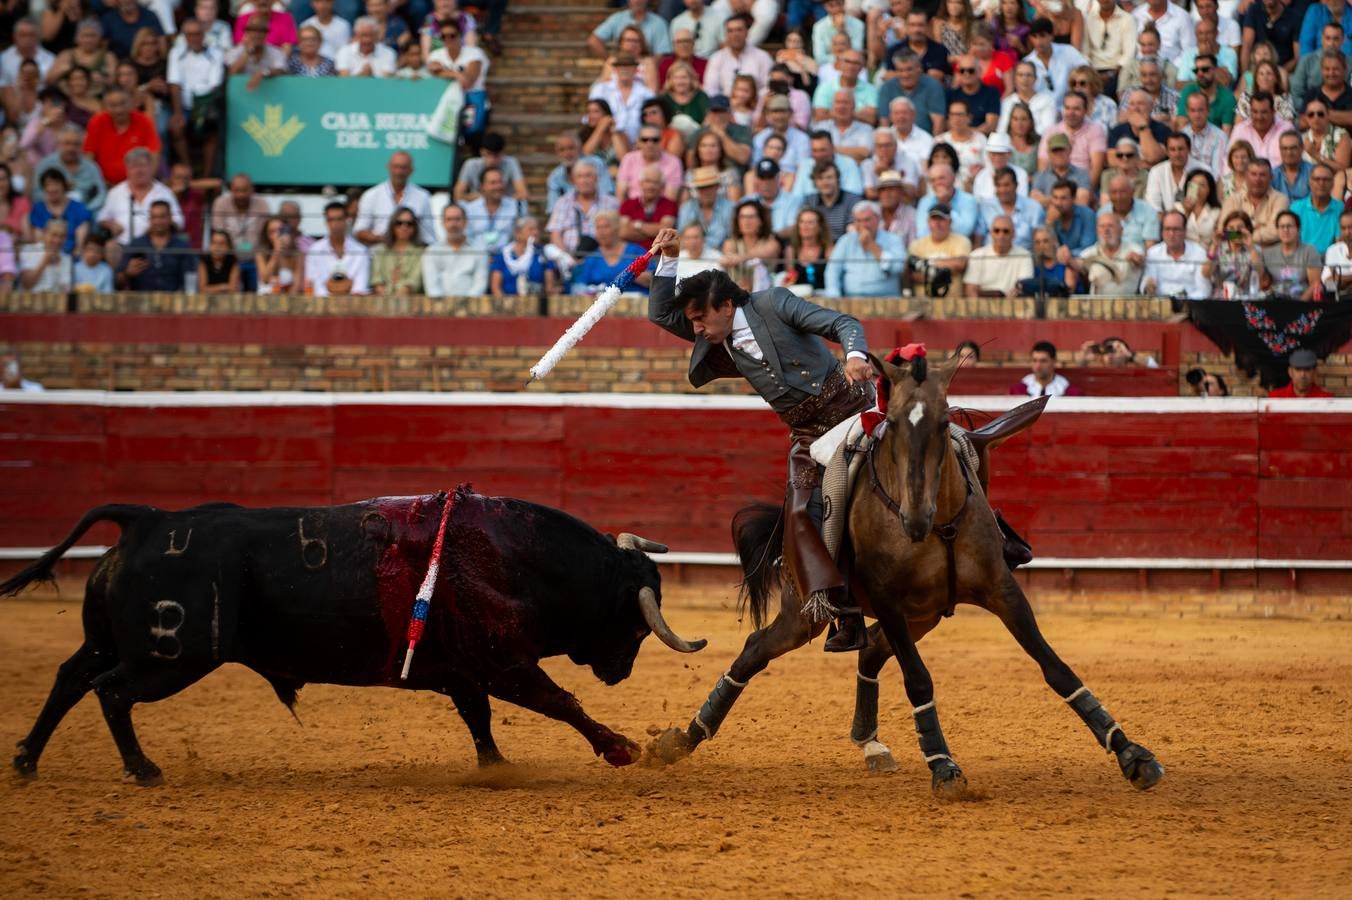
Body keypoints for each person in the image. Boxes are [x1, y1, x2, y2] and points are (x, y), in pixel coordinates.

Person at [647, 225, 874, 651]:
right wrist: (670, 258)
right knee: (801, 515)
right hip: (808, 435)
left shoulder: (775, 302)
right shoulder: (714, 333)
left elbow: (843, 322)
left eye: (700, 318)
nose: (695, 329)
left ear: (727, 304)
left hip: (853, 412)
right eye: (693, 320)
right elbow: (660, 314)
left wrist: (856, 355)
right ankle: (848, 615)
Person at [98, 147, 183, 246]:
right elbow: (102, 217)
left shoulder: (164, 192)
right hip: (122, 244)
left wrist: (157, 226)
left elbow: (179, 220)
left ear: (151, 167)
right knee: (110, 246)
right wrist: (112, 225)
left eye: (142, 165)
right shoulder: (115, 192)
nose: (139, 170)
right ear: (127, 169)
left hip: (155, 246)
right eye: (134, 166)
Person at [821, 201, 905, 297]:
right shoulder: (846, 240)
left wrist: (872, 245)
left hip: (886, 300)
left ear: (877, 219)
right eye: (858, 221)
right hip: (850, 300)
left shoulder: (893, 239)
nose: (863, 225)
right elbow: (832, 270)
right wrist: (834, 296)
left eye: (867, 220)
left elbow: (898, 268)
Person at [353, 152, 434, 247]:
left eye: (403, 168)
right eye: (396, 167)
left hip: (412, 256)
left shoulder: (423, 197)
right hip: (378, 255)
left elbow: (428, 237)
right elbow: (359, 232)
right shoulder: (371, 195)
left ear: (411, 170)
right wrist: (385, 239)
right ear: (388, 167)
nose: (399, 172)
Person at [82, 87, 159, 186]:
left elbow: (154, 154)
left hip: (138, 184)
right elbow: (89, 156)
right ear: (105, 107)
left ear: (131, 103)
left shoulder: (143, 121)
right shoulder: (97, 122)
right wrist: (97, 183)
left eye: (123, 104)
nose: (119, 109)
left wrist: (145, 181)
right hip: (104, 184)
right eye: (113, 105)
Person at [548, 159, 621, 256]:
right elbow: (555, 233)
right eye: (580, 176)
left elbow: (619, 233)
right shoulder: (563, 202)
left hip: (602, 259)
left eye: (588, 176)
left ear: (596, 178)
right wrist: (566, 258)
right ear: (574, 180)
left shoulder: (612, 203)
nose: (584, 180)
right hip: (569, 259)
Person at [117, 201, 194, 292]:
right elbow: (117, 282)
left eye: (162, 217)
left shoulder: (182, 246)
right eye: (154, 217)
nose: (158, 221)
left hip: (173, 301)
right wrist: (127, 273)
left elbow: (190, 279)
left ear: (170, 218)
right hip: (140, 302)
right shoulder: (136, 244)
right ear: (149, 219)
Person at [210, 173, 270, 289]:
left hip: (256, 260)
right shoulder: (221, 203)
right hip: (228, 260)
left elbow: (266, 235)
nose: (240, 195)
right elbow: (218, 235)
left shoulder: (262, 204)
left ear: (252, 190)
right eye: (237, 190)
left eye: (244, 190)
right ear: (231, 189)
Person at [1065, 210, 1143, 295]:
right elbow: (1076, 267)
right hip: (1098, 305)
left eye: (1111, 226)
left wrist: (1137, 260)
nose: (1106, 230)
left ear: (1121, 230)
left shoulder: (1134, 250)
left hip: (1129, 304)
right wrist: (1070, 262)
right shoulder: (1089, 253)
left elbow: (1141, 261)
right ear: (1097, 230)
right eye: (1102, 226)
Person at [570, 210, 649, 295]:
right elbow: (579, 287)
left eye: (606, 227)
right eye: (598, 228)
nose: (601, 232)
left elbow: (653, 279)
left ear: (616, 228)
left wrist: (630, 275)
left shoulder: (635, 252)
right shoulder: (592, 258)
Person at [35, 125, 106, 216]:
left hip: (85, 213)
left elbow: (101, 193)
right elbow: (37, 193)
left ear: (81, 146)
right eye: (67, 143)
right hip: (51, 214)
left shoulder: (91, 167)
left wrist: (86, 209)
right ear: (58, 144)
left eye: (75, 144)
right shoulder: (46, 165)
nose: (71, 148)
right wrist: (58, 208)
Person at [423, 203, 490, 297]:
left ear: (465, 222)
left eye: (457, 219)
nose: (453, 224)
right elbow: (432, 288)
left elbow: (480, 286)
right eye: (449, 219)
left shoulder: (480, 250)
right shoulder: (431, 251)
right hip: (439, 308)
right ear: (442, 223)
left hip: (472, 307)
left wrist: (463, 306)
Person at [305, 200, 370, 297]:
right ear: (326, 222)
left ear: (347, 220)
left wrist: (331, 287)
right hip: (321, 308)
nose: (335, 224)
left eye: (339, 219)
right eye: (331, 220)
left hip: (353, 308)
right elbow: (315, 288)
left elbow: (359, 289)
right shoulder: (314, 250)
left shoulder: (361, 251)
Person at [1219, 158, 1289, 246]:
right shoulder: (1232, 200)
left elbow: (1278, 231)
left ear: (1271, 177)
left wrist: (1241, 234)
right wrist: (1258, 227)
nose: (1257, 179)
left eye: (1262, 175)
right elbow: (1223, 232)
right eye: (1253, 174)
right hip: (1238, 253)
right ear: (1246, 176)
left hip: (1268, 254)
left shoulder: (1281, 199)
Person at [1142, 209, 1210, 298]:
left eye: (1176, 229)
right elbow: (1147, 284)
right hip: (1160, 306)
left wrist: (1181, 301)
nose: (1171, 234)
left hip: (1191, 305)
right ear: (1162, 232)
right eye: (1167, 229)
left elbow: (1203, 291)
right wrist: (1148, 286)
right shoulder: (1153, 253)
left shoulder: (1199, 253)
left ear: (1185, 231)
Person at [965, 214, 1033, 296]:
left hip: (1014, 304)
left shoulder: (1024, 256)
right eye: (996, 231)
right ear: (991, 233)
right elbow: (971, 290)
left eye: (1006, 231)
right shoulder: (976, 256)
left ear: (1013, 234)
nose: (1001, 235)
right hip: (982, 305)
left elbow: (1022, 288)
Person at [1259, 210, 1322, 299]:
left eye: (1289, 226)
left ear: (1298, 229)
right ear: (1277, 230)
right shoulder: (1267, 253)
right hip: (1275, 302)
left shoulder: (1309, 250)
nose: (1285, 230)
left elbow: (1315, 284)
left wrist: (1299, 305)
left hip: (1302, 302)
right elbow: (1262, 282)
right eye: (1282, 226)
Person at [28, 168, 91, 254]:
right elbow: (39, 240)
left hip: (73, 255)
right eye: (47, 185)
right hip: (46, 255)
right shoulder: (39, 209)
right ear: (44, 189)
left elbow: (80, 243)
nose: (52, 188)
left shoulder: (78, 208)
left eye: (56, 184)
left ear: (64, 186)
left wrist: (71, 258)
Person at [909, 203, 972, 287]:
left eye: (941, 219)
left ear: (950, 222)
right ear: (928, 222)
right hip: (922, 299)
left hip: (953, 299)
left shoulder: (961, 241)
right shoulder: (916, 244)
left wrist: (926, 264)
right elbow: (914, 275)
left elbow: (960, 264)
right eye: (934, 219)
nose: (937, 224)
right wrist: (945, 272)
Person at [370, 206, 425, 295]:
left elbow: (414, 283)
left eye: (409, 224)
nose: (404, 227)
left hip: (412, 303)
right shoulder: (380, 251)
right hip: (382, 302)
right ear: (392, 225)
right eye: (399, 223)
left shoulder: (421, 253)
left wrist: (396, 294)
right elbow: (376, 281)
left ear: (414, 227)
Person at [678, 165, 736, 248]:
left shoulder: (730, 207)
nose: (706, 191)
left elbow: (733, 236)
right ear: (697, 189)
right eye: (702, 188)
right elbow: (682, 236)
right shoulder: (687, 208)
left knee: (730, 245)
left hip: (722, 256)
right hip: (692, 254)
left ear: (717, 187)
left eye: (710, 187)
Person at [227, 14, 288, 88]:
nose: (257, 34)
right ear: (247, 33)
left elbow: (281, 70)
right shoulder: (235, 51)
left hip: (269, 93)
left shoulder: (276, 52)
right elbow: (232, 73)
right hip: (241, 91)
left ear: (266, 34)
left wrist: (263, 72)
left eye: (261, 31)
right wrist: (247, 52)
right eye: (253, 30)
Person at [1179, 91, 1229, 179]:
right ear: (1187, 111)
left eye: (1200, 110)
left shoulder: (1220, 137)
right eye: (1192, 110)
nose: (1197, 115)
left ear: (1208, 110)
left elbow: (1217, 173)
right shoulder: (1182, 135)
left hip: (1210, 186)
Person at [1145, 132, 1196, 215]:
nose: (1177, 154)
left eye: (1181, 149)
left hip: (1194, 221)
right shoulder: (1156, 172)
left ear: (1189, 149)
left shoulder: (1201, 170)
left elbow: (1197, 204)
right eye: (1172, 149)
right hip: (1164, 222)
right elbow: (1152, 206)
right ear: (1167, 152)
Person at [1009, 340, 1081, 396]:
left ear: (1054, 362)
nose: (1038, 366)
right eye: (1034, 360)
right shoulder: (1018, 390)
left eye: (1043, 361)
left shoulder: (1067, 391)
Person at [19, 220, 73, 292]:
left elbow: (66, 289)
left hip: (57, 301)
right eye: (54, 235)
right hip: (30, 301)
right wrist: (45, 261)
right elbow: (27, 285)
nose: (57, 240)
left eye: (62, 236)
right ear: (45, 234)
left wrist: (58, 267)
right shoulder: (29, 250)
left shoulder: (67, 258)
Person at [1176, 169, 1223, 246]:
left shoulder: (1217, 211)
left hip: (1207, 254)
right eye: (1193, 184)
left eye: (1202, 185)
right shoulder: (1177, 208)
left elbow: (1230, 234)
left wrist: (1222, 234)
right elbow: (1173, 232)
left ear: (1209, 190)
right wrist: (1187, 212)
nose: (1197, 188)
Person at [1047, 180, 1095, 253]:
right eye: (1055, 197)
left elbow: (1088, 248)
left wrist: (1067, 255)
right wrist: (1049, 224)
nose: (1058, 203)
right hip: (1058, 262)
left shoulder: (1087, 215)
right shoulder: (1049, 216)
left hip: (1082, 261)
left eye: (1063, 198)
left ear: (1073, 199)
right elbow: (1047, 250)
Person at [1267, 348, 1334, 397]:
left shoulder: (1326, 399)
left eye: (1307, 369)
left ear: (1315, 372)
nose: (1302, 375)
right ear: (1290, 372)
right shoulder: (1276, 397)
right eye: (1298, 370)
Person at [1272, 131, 1313, 202]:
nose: (1289, 153)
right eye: (1285, 148)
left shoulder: (1313, 172)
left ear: (1302, 148)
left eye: (1293, 148)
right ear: (1280, 150)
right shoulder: (1272, 175)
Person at [197, 229, 241, 294]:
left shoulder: (233, 262)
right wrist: (223, 287)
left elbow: (233, 288)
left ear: (228, 247)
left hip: (229, 301)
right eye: (214, 243)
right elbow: (202, 289)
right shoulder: (204, 261)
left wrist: (211, 289)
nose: (217, 247)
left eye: (221, 243)